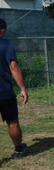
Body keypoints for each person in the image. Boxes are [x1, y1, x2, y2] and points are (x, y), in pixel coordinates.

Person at [0, 18, 28, 158]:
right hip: (4, 92)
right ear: (2, 31)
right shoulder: (6, 45)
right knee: (12, 123)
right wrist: (22, 88)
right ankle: (18, 150)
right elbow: (13, 67)